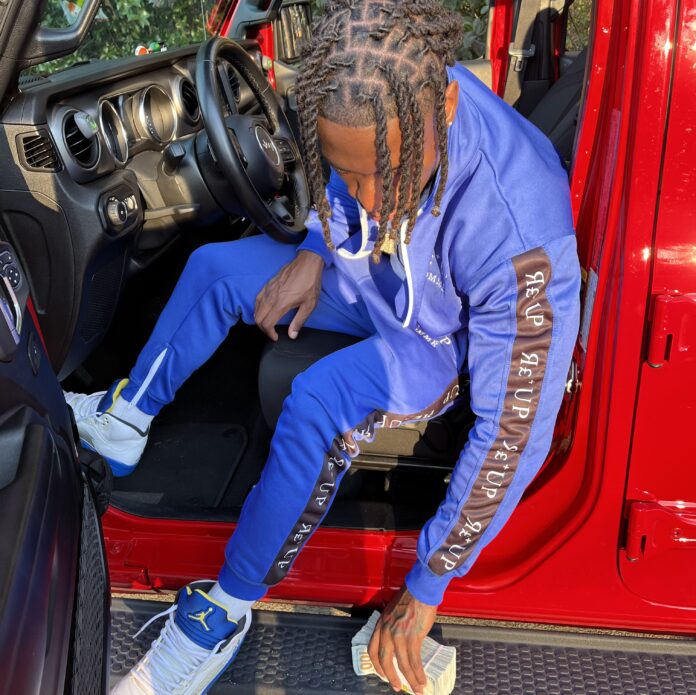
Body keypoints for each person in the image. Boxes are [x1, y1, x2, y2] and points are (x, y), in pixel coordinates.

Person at [66, 1, 581, 693]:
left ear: (449, 104)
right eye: (353, 173)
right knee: (216, 268)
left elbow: (513, 434)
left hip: (435, 335)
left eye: (387, 171)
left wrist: (428, 583)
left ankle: (223, 610)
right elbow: (343, 183)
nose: (370, 197)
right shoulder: (373, 94)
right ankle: (126, 418)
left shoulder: (520, 232)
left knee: (315, 401)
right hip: (372, 272)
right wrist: (315, 248)